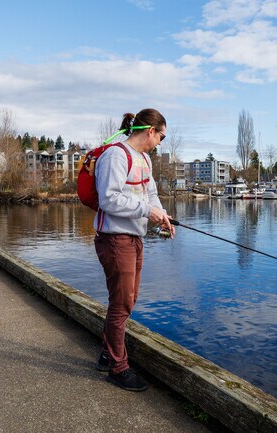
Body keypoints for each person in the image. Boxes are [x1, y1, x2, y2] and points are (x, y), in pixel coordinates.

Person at [93, 108, 174, 392]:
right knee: (122, 304)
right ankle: (118, 367)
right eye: (161, 136)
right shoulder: (116, 155)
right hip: (115, 239)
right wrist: (146, 212)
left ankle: (107, 353)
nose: (161, 142)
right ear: (150, 130)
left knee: (127, 300)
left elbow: (150, 195)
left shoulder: (145, 159)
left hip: (135, 238)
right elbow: (108, 199)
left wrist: (162, 217)